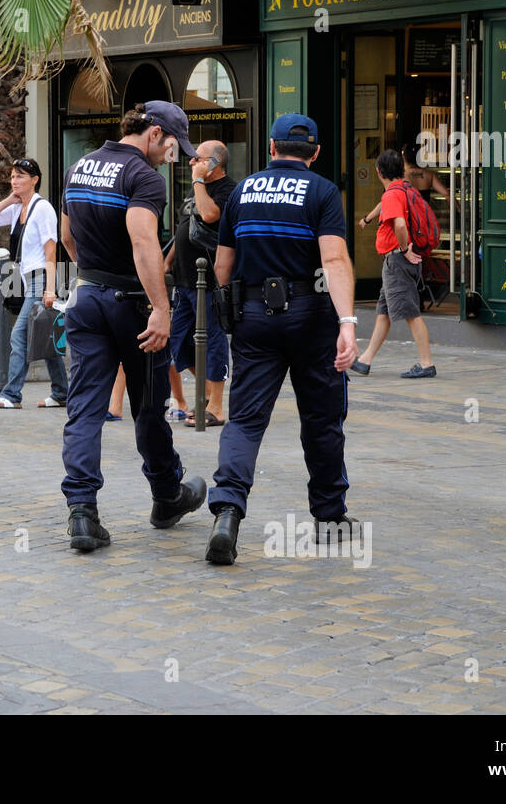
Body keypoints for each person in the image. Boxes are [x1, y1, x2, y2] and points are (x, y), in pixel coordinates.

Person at [206, 113, 360, 565]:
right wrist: (347, 322)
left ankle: (228, 511)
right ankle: (330, 517)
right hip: (311, 318)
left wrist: (234, 314)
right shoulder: (324, 191)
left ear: (271, 149)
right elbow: (333, 260)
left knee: (246, 420)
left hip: (253, 316)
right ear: (314, 153)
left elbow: (221, 267)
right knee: (321, 419)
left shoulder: (242, 190)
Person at [58, 101, 207, 551]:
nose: (171, 155)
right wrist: (161, 309)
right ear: (154, 133)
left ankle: (82, 512)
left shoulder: (80, 166)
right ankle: (166, 496)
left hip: (86, 297)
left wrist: (95, 277)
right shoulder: (143, 178)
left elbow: (68, 237)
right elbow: (144, 241)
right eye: (171, 146)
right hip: (133, 304)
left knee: (84, 406)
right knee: (148, 405)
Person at [0, 157, 69, 409]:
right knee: (47, 336)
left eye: (20, 176)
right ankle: (62, 392)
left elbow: (51, 251)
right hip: (23, 280)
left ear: (35, 180)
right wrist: (9, 199)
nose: (14, 180)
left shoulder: (42, 209)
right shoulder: (19, 209)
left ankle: (12, 395)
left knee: (19, 336)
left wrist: (50, 288)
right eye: (12, 176)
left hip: (40, 280)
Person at [164, 140, 237, 427]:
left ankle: (216, 406)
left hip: (208, 281)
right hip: (183, 280)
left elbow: (208, 215)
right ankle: (206, 392)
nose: (192, 163)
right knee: (176, 343)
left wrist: (197, 181)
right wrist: (166, 262)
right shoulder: (198, 189)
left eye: (198, 159)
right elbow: (186, 226)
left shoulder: (227, 189)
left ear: (215, 163)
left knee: (214, 340)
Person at [351, 149, 436, 379]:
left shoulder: (392, 195)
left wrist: (403, 249)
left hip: (398, 261)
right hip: (395, 263)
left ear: (378, 172)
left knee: (411, 313)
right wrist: (368, 219)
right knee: (384, 312)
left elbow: (399, 224)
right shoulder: (404, 188)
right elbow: (384, 204)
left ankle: (426, 364)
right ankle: (365, 360)